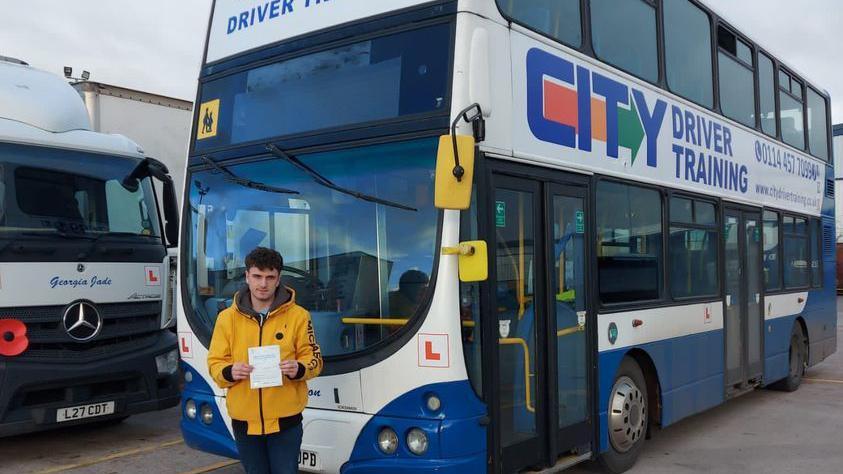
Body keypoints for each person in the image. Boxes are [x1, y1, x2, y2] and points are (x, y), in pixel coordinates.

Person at [208, 247, 323, 474]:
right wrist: (230, 372)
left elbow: (315, 360)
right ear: (247, 277)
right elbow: (215, 363)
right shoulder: (226, 319)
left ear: (278, 279)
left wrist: (299, 368)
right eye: (258, 276)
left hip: (286, 422)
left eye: (270, 277)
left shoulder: (299, 316)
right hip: (245, 423)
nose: (263, 284)